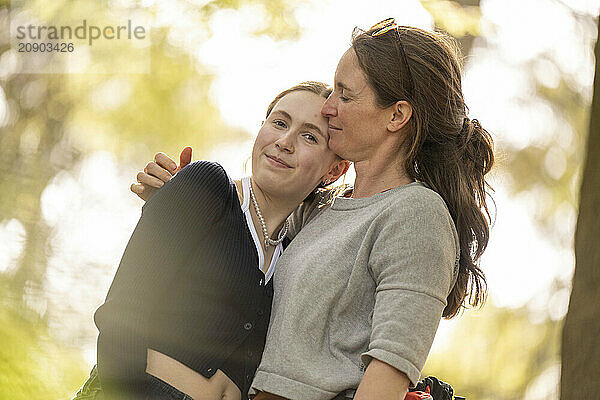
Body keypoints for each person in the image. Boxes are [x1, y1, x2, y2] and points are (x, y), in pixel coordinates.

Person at [134, 18, 494, 400]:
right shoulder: (321, 209)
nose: (328, 107)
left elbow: (389, 374)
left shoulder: (417, 213)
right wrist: (184, 201)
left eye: (345, 95)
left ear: (396, 115)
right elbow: (245, 254)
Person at [73, 81, 350, 400]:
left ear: (335, 170)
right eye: (279, 122)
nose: (285, 142)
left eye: (309, 136)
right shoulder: (208, 185)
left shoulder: (293, 256)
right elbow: (122, 312)